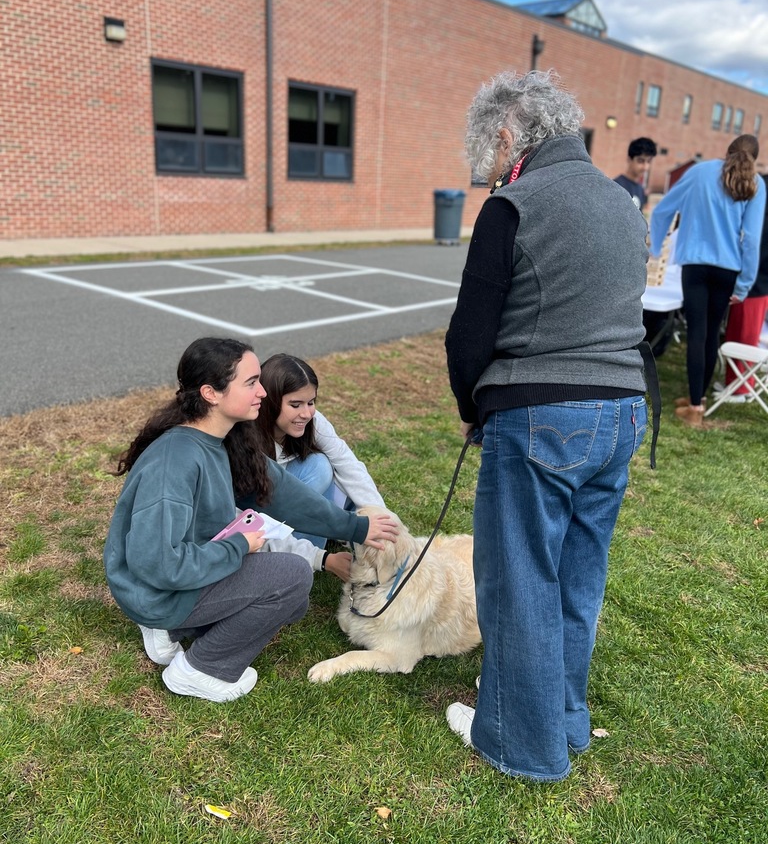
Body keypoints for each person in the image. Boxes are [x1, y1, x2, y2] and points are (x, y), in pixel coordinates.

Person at [444, 69, 649, 782]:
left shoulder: (513, 204)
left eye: (488, 148)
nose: (488, 164)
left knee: (520, 579)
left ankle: (519, 744)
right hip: (622, 411)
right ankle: (563, 719)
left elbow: (469, 336)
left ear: (508, 135)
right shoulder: (623, 202)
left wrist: (473, 409)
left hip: (542, 413)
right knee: (576, 577)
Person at [103, 337, 397, 703]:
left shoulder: (226, 438)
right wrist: (238, 546)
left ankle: (173, 630)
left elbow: (285, 494)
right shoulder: (174, 463)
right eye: (251, 382)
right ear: (211, 393)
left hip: (181, 574)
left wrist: (357, 527)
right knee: (292, 576)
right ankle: (199, 669)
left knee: (294, 601)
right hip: (156, 589)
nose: (262, 392)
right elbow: (159, 564)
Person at [650, 135, 766, 426]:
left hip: (695, 266)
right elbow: (751, 240)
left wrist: (655, 248)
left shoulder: (699, 171)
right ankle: (697, 399)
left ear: (727, 151)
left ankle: (695, 406)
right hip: (728, 270)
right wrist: (744, 284)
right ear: (754, 158)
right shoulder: (755, 183)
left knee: (697, 333)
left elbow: (664, 209)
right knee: (712, 333)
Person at [253, 353, 384, 579]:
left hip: (292, 497)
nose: (306, 413)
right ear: (270, 401)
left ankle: (310, 549)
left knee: (321, 466)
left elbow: (348, 463)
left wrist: (382, 519)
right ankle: (295, 560)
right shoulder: (247, 435)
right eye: (295, 404)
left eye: (311, 402)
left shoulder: (314, 422)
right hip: (262, 507)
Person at [718, 172, 768, 400]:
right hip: (753, 277)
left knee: (745, 335)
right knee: (737, 331)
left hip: (757, 280)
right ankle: (734, 382)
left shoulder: (761, 187)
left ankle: (741, 388)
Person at [614, 137, 657, 210]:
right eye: (640, 161)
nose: (645, 167)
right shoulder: (617, 186)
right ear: (629, 160)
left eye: (649, 161)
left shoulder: (641, 189)